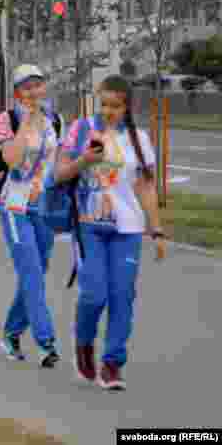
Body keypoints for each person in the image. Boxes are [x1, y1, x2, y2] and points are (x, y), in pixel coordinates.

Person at [55, 75, 166, 391]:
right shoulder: (80, 130)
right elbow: (60, 173)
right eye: (103, 104)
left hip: (127, 229)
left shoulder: (138, 139)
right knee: (94, 295)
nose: (108, 111)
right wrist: (84, 160)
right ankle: (84, 344)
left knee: (122, 297)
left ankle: (113, 364)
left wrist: (156, 229)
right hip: (89, 226)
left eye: (115, 106)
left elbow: (145, 186)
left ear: (127, 106)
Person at [0, 65, 62, 368]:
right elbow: (10, 159)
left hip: (43, 206)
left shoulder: (55, 120)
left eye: (38, 85)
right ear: (17, 92)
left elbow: (59, 162)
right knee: (31, 271)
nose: (34, 92)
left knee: (37, 269)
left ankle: (11, 332)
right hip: (15, 206)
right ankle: (46, 342)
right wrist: (26, 123)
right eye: (26, 87)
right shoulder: (8, 119)